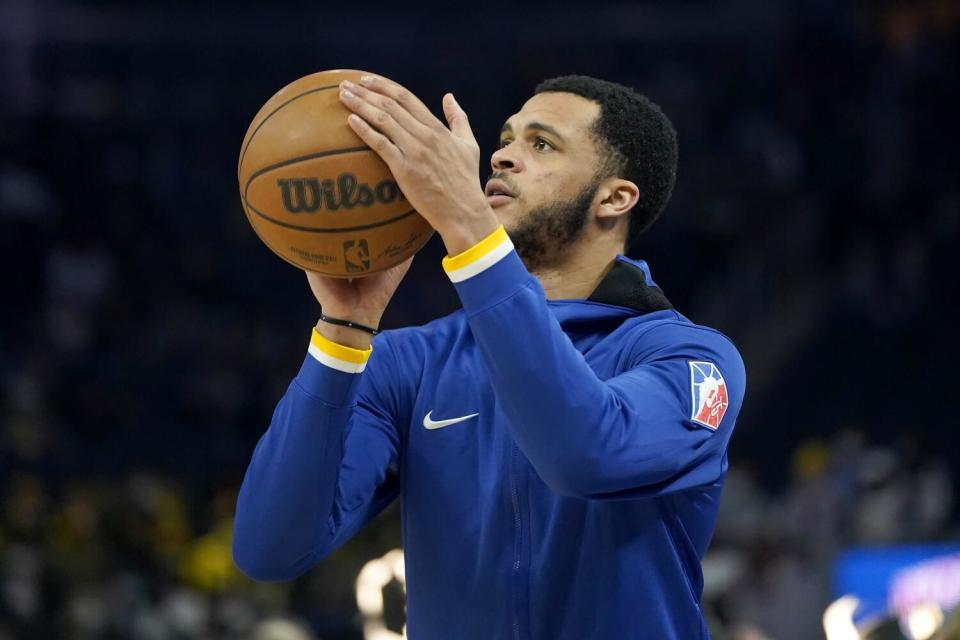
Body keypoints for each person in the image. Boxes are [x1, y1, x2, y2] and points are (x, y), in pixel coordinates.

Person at [233, 73, 746, 640]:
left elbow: (586, 455)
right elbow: (270, 549)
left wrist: (471, 234)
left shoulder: (692, 360)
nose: (502, 156)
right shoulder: (411, 363)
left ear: (614, 198)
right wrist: (342, 331)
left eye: (541, 144)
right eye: (505, 139)